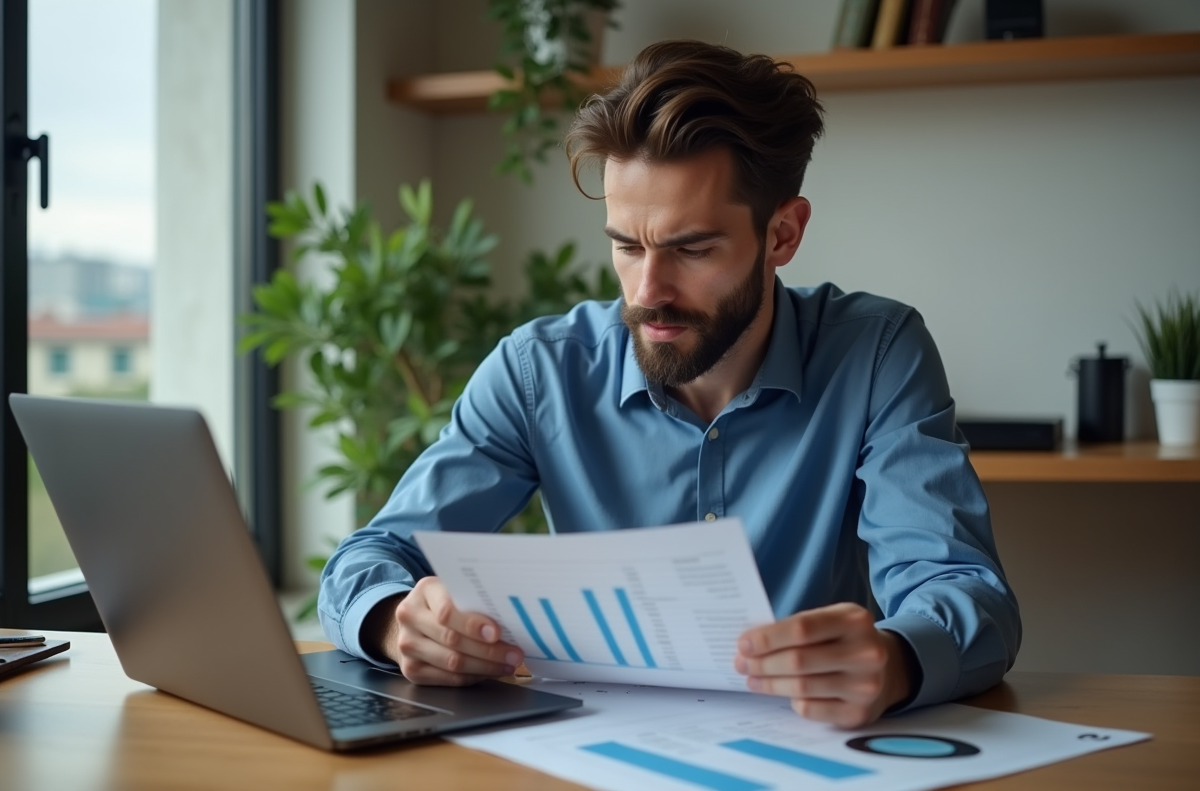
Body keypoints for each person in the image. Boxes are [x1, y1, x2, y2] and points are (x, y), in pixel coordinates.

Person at [319, 39, 1021, 729]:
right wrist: (393, 621)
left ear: (781, 235)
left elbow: (965, 590)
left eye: (691, 249)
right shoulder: (539, 372)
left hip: (810, 756)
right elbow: (370, 558)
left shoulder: (875, 353)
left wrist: (895, 658)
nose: (648, 290)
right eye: (626, 246)